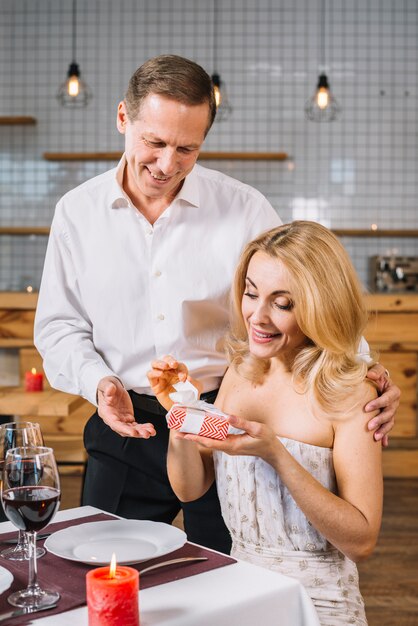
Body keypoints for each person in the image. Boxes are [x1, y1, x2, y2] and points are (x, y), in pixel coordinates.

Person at [34, 55, 398, 555]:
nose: (168, 165)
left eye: (188, 148)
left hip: (221, 421)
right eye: (155, 143)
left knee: (225, 571)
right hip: (126, 426)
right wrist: (100, 383)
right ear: (123, 118)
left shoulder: (243, 207)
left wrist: (365, 374)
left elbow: (309, 289)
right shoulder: (76, 212)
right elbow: (59, 326)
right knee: (108, 568)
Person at [148, 221, 384, 625]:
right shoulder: (240, 373)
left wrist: (277, 454)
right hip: (239, 588)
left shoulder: (351, 394)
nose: (257, 316)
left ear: (320, 306)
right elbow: (191, 487)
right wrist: (179, 413)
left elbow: (361, 541)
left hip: (318, 602)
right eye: (251, 293)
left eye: (283, 303)